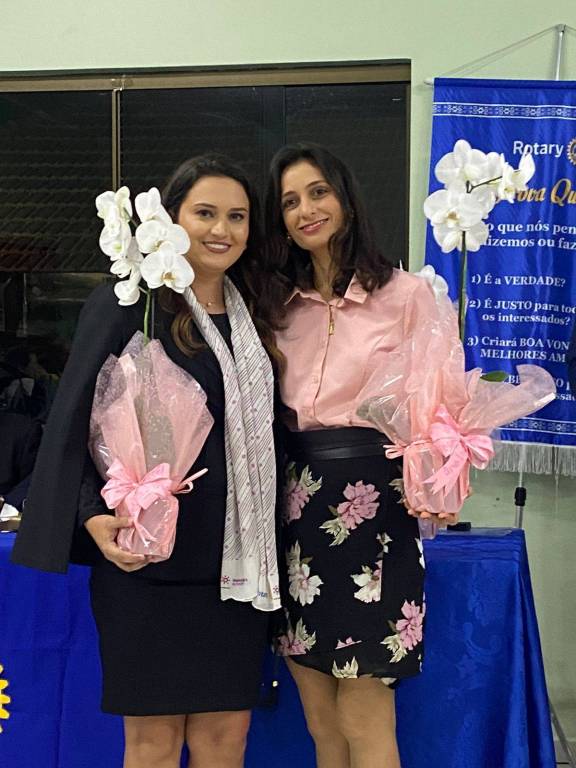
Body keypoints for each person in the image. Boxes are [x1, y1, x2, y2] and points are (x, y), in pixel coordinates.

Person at [12, 154, 280, 768]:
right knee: (153, 745)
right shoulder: (133, 303)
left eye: (237, 216)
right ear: (170, 219)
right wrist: (91, 515)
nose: (222, 230)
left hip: (237, 567)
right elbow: (75, 420)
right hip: (148, 562)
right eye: (205, 213)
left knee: (225, 741)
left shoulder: (257, 313)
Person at [262, 143, 458, 768]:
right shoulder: (275, 305)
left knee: (365, 710)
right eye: (290, 201)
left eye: (318, 192)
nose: (306, 210)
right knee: (320, 717)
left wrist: (440, 481)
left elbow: (439, 403)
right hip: (294, 506)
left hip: (376, 507)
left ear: (345, 197)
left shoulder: (407, 294)